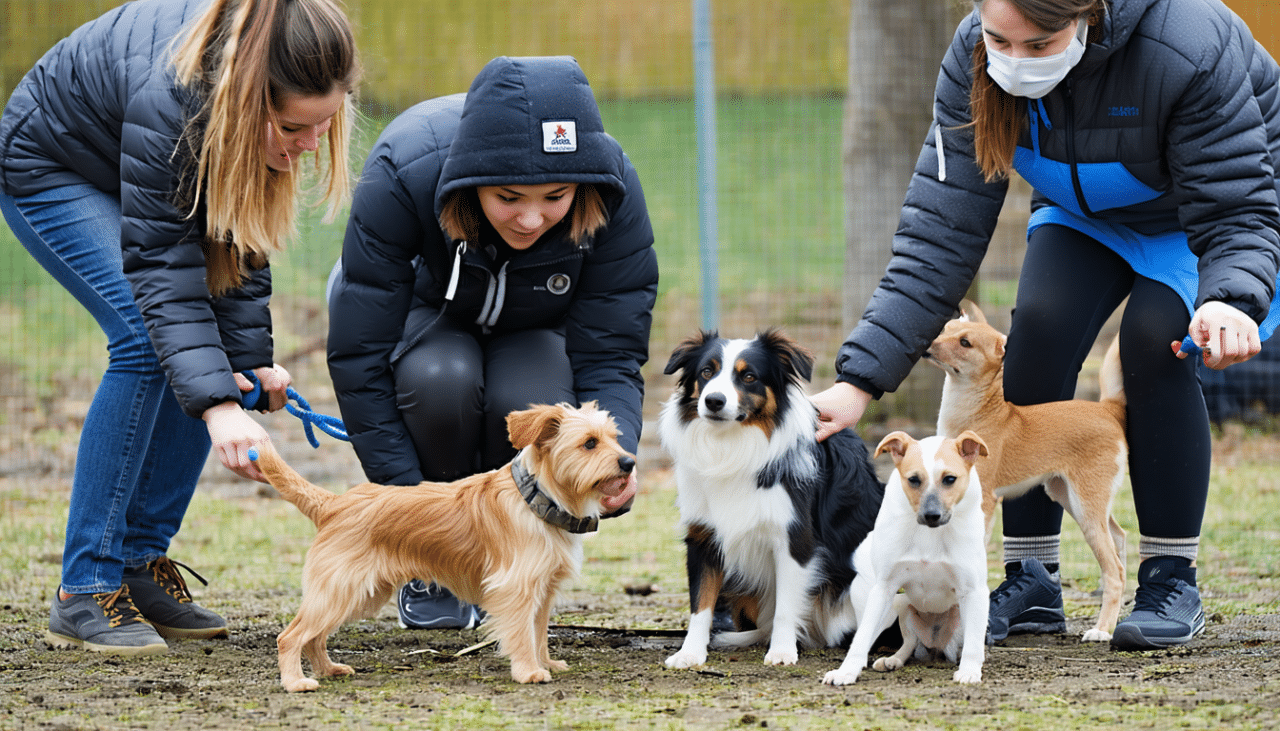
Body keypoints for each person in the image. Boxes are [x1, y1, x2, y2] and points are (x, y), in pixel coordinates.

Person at [811, 0, 1280, 651]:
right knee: (1034, 333)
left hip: (1205, 215)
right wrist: (857, 380)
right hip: (1082, 210)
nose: (1015, 62)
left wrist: (1232, 296)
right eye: (1002, 40)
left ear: (1087, 15)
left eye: (1039, 45)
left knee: (1154, 340)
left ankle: (1171, 576)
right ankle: (1031, 576)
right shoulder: (974, 56)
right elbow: (936, 236)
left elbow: (1235, 201)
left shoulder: (1187, 44)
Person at [0, 0, 360, 656]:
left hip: (131, 166)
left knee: (204, 354)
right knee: (144, 338)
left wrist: (247, 360)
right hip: (53, 163)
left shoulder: (253, 101)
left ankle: (138, 565)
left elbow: (235, 240)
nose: (311, 145)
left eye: (325, 123)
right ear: (249, 97)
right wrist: (220, 406)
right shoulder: (176, 96)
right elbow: (164, 268)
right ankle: (85, 588)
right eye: (292, 127)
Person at [326, 56, 658, 630]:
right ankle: (435, 565)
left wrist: (615, 461)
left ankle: (507, 560)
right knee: (443, 384)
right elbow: (361, 359)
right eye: (508, 197)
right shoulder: (406, 168)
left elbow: (611, 349)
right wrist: (410, 516)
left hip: (536, 326)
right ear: (469, 182)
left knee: (533, 399)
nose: (531, 220)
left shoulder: (612, 187)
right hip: (425, 313)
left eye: (556, 197)